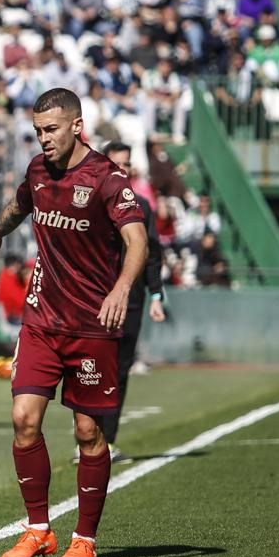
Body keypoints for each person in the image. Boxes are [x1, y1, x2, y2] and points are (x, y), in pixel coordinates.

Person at [0, 88, 148, 557]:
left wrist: (121, 289)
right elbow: (20, 205)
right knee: (23, 419)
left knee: (88, 432)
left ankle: (85, 539)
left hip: (92, 325)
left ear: (77, 126)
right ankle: (38, 530)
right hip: (41, 319)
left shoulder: (107, 179)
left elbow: (137, 241)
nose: (44, 139)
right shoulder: (37, 170)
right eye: (38, 131)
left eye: (51, 129)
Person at [75, 142, 166, 465]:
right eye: (117, 163)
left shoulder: (142, 206)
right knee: (90, 369)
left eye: (126, 163)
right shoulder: (87, 204)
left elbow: (151, 252)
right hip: (93, 299)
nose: (123, 169)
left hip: (133, 300)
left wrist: (156, 294)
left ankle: (108, 442)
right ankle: (85, 439)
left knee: (120, 371)